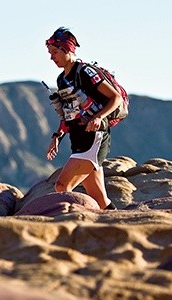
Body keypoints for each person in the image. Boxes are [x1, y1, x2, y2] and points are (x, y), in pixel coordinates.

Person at [45, 27, 121, 210]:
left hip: (94, 138)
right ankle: (117, 230)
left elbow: (115, 98)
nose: (51, 57)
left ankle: (67, 230)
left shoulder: (86, 71)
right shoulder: (61, 80)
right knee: (101, 201)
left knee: (62, 186)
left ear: (67, 49)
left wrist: (98, 117)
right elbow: (67, 113)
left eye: (54, 52)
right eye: (49, 53)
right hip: (77, 139)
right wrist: (57, 137)